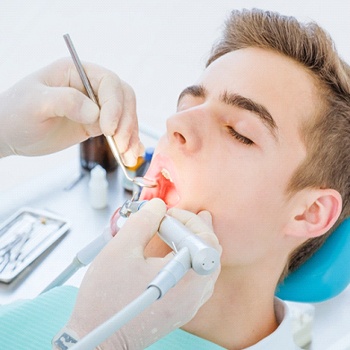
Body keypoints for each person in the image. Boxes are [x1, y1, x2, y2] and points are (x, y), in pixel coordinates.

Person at [0, 8, 349, 350]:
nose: (175, 125)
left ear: (310, 212)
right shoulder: (83, 307)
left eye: (239, 132)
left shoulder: (96, 326)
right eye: (186, 107)